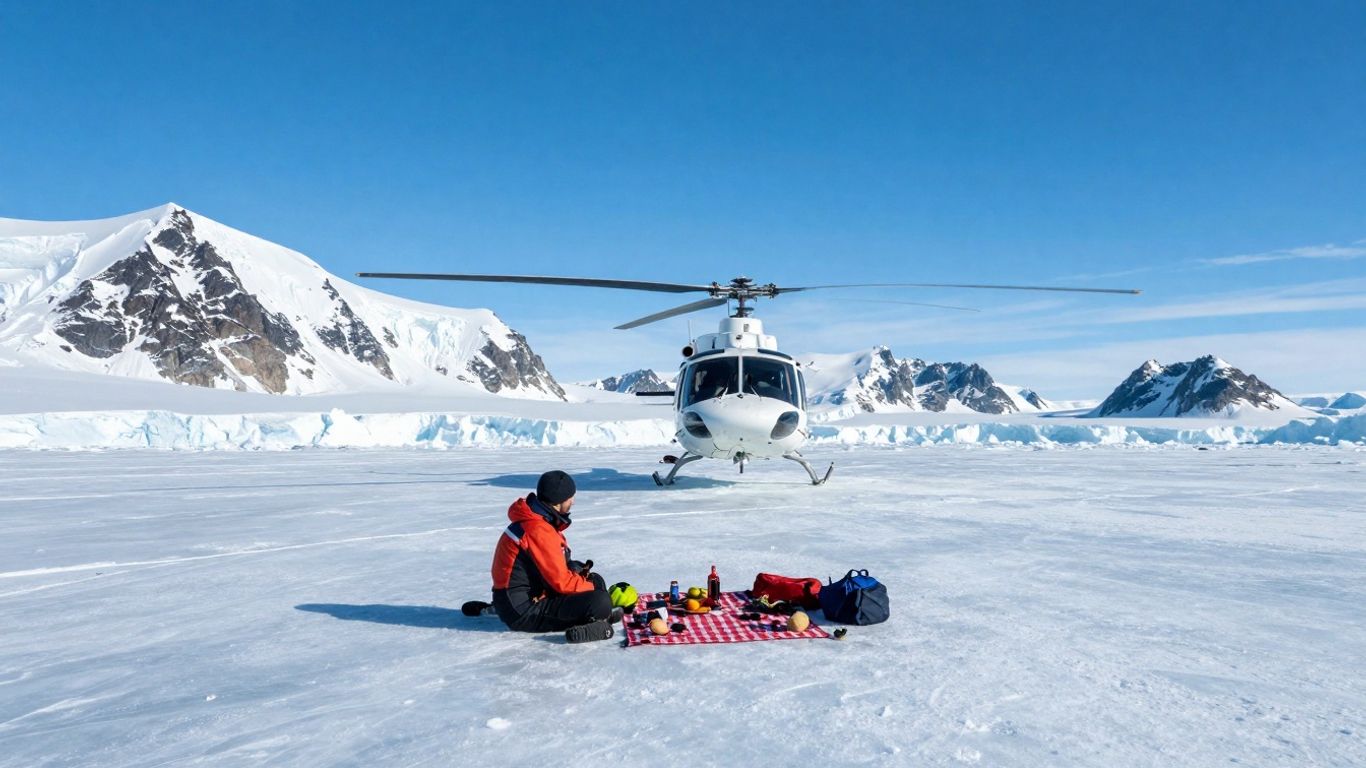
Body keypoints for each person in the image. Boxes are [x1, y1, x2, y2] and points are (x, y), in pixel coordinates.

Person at [487, 470, 617, 643]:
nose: (573, 501)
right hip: (523, 612)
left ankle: (496, 608)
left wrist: (583, 576)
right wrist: (593, 586)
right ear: (560, 499)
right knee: (600, 601)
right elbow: (561, 582)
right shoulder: (538, 530)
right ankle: (599, 624)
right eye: (571, 497)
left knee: (580, 570)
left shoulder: (536, 520)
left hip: (514, 600)